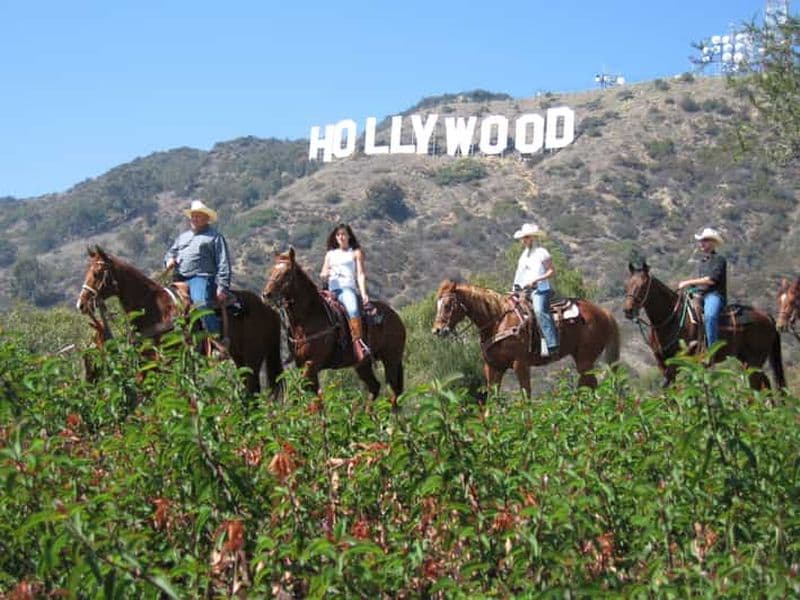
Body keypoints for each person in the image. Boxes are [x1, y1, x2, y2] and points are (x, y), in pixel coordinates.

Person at [164, 199, 231, 339]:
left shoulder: (215, 237)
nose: (194, 218)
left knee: (200, 304)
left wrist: (223, 287)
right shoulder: (182, 237)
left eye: (198, 216)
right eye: (193, 215)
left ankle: (216, 339)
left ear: (207, 219)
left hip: (201, 278)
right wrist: (169, 260)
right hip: (179, 279)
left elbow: (223, 262)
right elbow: (170, 253)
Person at [320, 223, 371, 363]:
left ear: (349, 236)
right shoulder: (330, 254)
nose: (341, 237)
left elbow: (360, 274)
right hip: (331, 290)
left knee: (353, 309)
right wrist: (326, 273)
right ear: (335, 237)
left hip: (347, 289)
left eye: (343, 234)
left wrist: (363, 292)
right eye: (338, 235)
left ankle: (358, 343)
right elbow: (323, 273)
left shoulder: (355, 252)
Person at [512, 222, 558, 357]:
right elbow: (519, 275)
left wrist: (537, 280)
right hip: (525, 291)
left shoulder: (541, 252)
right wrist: (514, 289)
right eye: (523, 238)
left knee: (539, 311)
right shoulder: (523, 255)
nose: (523, 240)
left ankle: (551, 344)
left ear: (532, 238)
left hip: (540, 289)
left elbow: (551, 271)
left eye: (526, 237)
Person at [678, 227, 727, 349]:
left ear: (713, 243)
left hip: (714, 295)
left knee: (710, 316)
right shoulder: (702, 262)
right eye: (701, 241)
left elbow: (710, 280)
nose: (701, 243)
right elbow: (700, 282)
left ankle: (712, 350)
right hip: (700, 295)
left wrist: (687, 282)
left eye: (705, 240)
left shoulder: (719, 260)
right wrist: (691, 287)